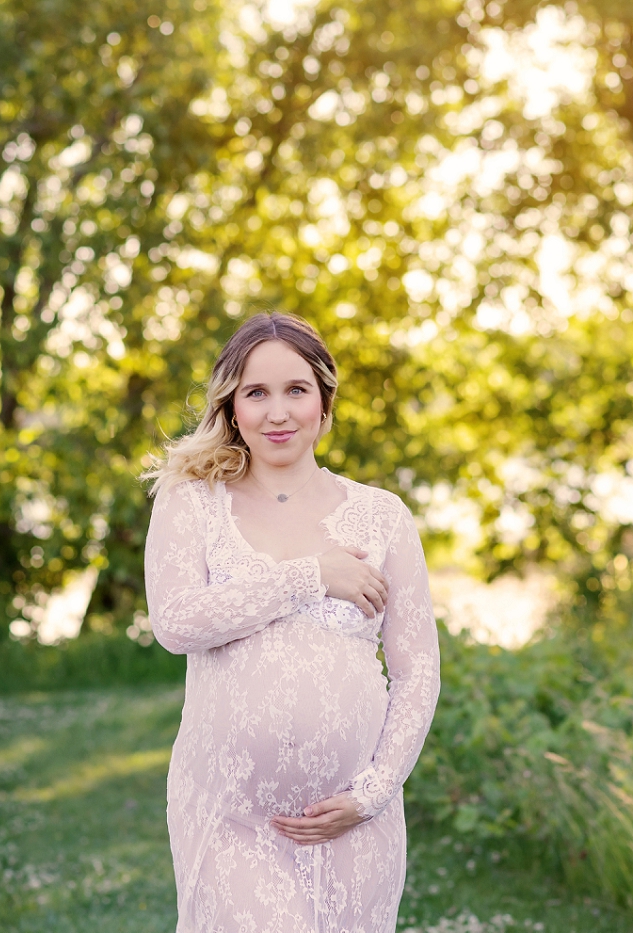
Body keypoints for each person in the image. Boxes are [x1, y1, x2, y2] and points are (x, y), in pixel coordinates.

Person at [141, 312, 439, 932]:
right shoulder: (191, 499)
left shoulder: (383, 517)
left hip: (356, 822)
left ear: (324, 405)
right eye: (257, 392)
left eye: (296, 390)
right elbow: (175, 623)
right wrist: (308, 576)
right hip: (232, 817)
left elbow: (417, 672)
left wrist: (373, 793)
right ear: (232, 408)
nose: (278, 412)